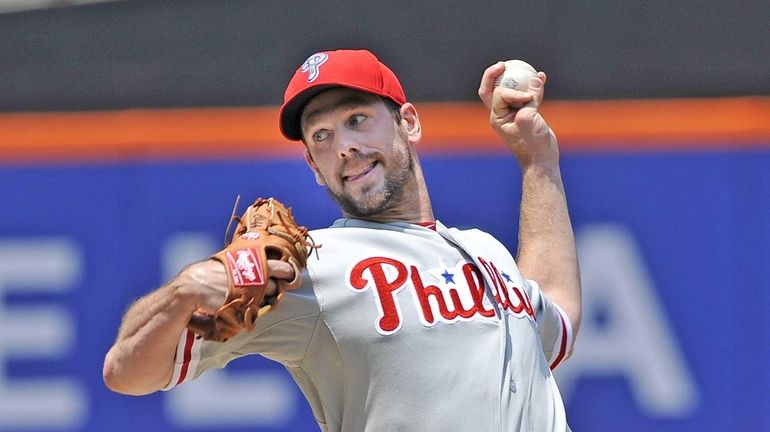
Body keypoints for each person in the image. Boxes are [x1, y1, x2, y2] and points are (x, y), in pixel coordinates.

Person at [103, 49, 581, 432]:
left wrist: (538, 159)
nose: (344, 147)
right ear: (314, 167)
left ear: (408, 123)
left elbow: (558, 320)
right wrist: (183, 290)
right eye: (322, 137)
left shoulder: (483, 249)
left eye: (356, 119)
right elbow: (126, 373)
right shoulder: (309, 268)